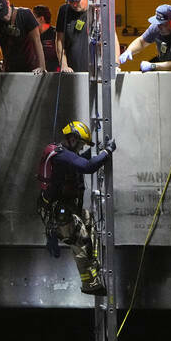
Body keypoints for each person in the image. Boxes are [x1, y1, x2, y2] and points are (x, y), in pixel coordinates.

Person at [38, 120, 117, 296]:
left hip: (65, 208)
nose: (81, 148)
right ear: (72, 139)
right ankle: (90, 285)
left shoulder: (62, 153)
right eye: (80, 144)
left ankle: (94, 267)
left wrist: (97, 152)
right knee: (81, 242)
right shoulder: (62, 155)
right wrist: (107, 151)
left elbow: (79, 161)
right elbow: (87, 167)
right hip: (60, 213)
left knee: (89, 221)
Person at [34, 4, 60, 72]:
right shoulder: (32, 35)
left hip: (54, 75)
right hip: (37, 74)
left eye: (33, 17)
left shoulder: (56, 34)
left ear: (41, 19)